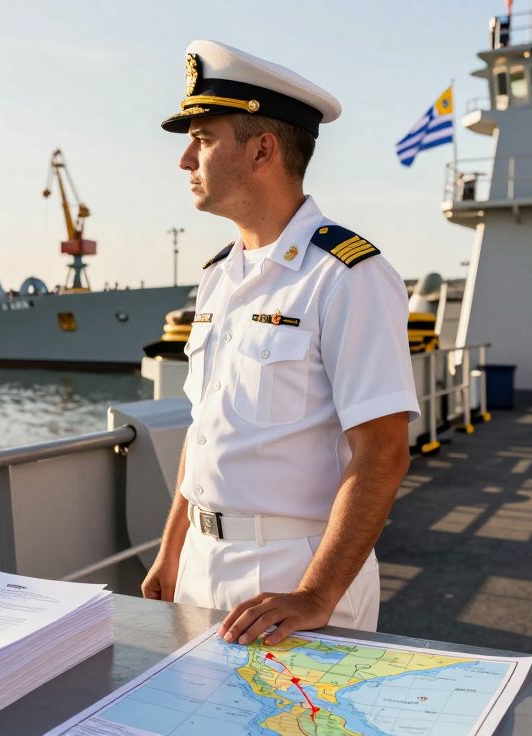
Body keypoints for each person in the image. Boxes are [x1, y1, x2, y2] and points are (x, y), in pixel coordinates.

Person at [141, 40, 419, 647]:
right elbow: (205, 428)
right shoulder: (219, 276)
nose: (185, 159)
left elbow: (383, 453)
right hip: (199, 565)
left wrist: (317, 595)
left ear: (262, 149)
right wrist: (173, 548)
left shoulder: (347, 275)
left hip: (293, 574)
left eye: (204, 138)